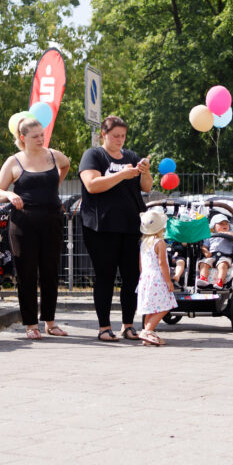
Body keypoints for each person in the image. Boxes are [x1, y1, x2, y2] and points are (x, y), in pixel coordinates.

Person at [0, 117, 71, 339]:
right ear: (22, 138)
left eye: (42, 135)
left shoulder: (53, 155)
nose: (40, 139)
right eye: (35, 136)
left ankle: (50, 322)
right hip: (24, 222)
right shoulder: (13, 161)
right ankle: (30, 324)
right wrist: (9, 194)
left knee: (50, 272)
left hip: (52, 219)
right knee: (26, 273)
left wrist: (56, 183)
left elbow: (66, 164)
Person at [79, 115, 153, 342]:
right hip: (101, 227)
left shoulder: (130, 156)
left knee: (131, 277)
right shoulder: (94, 155)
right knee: (105, 276)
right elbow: (91, 185)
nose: (120, 140)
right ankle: (104, 327)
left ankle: (128, 325)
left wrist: (145, 170)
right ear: (104, 134)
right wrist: (122, 174)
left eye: (123, 136)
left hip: (130, 225)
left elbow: (147, 187)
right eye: (115, 136)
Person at [136, 207, 176, 346]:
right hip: (157, 278)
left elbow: (141, 263)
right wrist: (168, 281)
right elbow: (162, 264)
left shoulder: (144, 243)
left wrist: (142, 277)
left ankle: (148, 332)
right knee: (166, 305)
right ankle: (147, 330)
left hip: (146, 277)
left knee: (150, 307)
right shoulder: (160, 243)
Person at [198, 213, 233, 289]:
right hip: (212, 255)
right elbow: (204, 246)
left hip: (224, 256)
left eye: (226, 224)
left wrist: (227, 233)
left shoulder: (230, 235)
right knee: (204, 263)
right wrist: (205, 251)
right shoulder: (210, 236)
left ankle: (220, 282)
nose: (224, 225)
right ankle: (203, 278)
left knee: (222, 265)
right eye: (221, 224)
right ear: (213, 226)